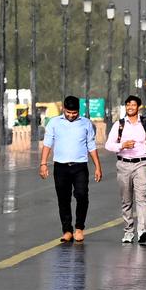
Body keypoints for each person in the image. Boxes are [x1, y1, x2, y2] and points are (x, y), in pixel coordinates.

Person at [38, 96, 103, 242]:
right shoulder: (54, 123)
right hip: (60, 167)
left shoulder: (86, 123)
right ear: (63, 109)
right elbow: (47, 144)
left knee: (82, 195)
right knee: (63, 199)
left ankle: (79, 228)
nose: (71, 115)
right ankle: (67, 230)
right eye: (68, 112)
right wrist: (43, 164)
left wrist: (98, 167)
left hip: (80, 166)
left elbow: (91, 146)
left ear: (78, 111)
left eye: (74, 113)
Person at [104, 95, 146, 244]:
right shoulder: (120, 125)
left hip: (141, 164)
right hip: (123, 164)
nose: (130, 107)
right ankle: (128, 231)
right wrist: (122, 145)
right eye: (128, 105)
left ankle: (142, 230)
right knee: (126, 200)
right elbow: (108, 145)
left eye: (133, 105)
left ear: (139, 107)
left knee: (142, 198)